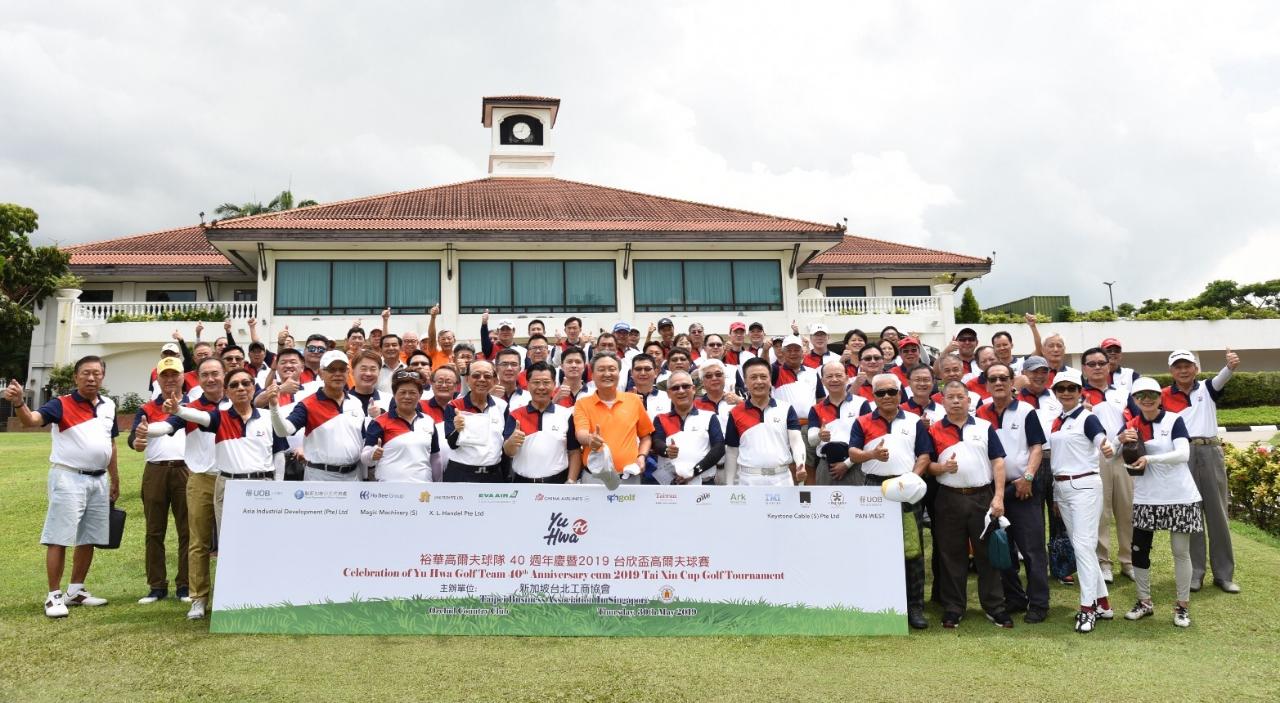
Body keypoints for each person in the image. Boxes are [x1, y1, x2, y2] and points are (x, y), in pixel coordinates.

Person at [6, 357, 119, 618]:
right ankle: (54, 596)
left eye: (96, 373)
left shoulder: (109, 405)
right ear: (76, 377)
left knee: (89, 537)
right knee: (59, 537)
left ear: (103, 377)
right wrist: (20, 403)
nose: (91, 378)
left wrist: (115, 478)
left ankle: (76, 591)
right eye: (86, 373)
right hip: (68, 477)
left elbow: (110, 445)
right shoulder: (61, 404)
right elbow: (31, 420)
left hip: (99, 479)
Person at [847, 372, 932, 630]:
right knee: (874, 548)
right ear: (873, 396)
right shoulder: (862, 422)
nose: (886, 397)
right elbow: (852, 452)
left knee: (912, 549)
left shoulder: (915, 421)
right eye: (880, 393)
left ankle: (914, 606)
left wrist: (912, 480)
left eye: (891, 392)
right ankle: (878, 603)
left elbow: (925, 455)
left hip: (907, 487)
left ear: (899, 394)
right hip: (874, 488)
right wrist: (871, 453)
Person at [145, 356, 226, 619]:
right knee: (198, 542)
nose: (211, 379)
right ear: (198, 379)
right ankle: (198, 598)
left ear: (224, 375)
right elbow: (168, 426)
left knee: (232, 542)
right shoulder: (190, 406)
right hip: (201, 478)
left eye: (215, 373)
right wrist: (146, 429)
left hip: (233, 479)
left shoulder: (236, 402)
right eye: (205, 375)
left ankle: (229, 595)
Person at [166, 367, 286, 547]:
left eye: (246, 383)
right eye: (234, 385)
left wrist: (279, 487)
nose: (241, 388)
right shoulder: (219, 417)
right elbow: (200, 416)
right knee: (231, 545)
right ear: (227, 392)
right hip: (230, 487)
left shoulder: (269, 417)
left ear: (254, 388)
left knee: (265, 543)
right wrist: (179, 410)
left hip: (264, 487)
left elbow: (279, 453)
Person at [927, 380, 1010, 629]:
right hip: (948, 498)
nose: (955, 401)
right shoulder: (933, 430)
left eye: (960, 397)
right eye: (950, 397)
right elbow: (927, 464)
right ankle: (954, 607)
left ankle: (995, 606)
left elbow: (998, 462)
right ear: (942, 401)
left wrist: (999, 496)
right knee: (951, 555)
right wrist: (942, 468)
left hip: (982, 496)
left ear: (968, 400)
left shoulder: (985, 427)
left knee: (987, 554)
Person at [1120, 377, 1202, 627]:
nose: (1146, 399)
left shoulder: (1174, 420)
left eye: (1152, 394)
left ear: (1160, 397)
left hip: (1180, 496)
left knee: (1180, 552)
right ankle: (1144, 602)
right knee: (1139, 551)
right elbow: (1111, 452)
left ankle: (1182, 606)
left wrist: (1150, 460)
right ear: (1134, 400)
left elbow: (1183, 454)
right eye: (1140, 395)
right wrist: (1120, 440)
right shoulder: (1131, 425)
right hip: (1146, 498)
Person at [1163, 348, 1241, 593]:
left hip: (1210, 452)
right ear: (1171, 371)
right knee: (1191, 514)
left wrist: (1230, 365)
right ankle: (1195, 573)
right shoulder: (1164, 395)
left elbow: (1223, 376)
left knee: (1217, 515)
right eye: (1178, 366)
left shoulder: (1207, 388)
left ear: (1195, 368)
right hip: (1182, 454)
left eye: (1188, 365)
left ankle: (1224, 574)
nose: (1183, 370)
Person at [976, 363, 1049, 623]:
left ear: (1012, 382)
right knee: (1002, 549)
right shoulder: (980, 412)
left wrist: (1028, 477)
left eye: (1003, 378)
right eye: (992, 379)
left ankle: (1039, 603)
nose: (998, 383)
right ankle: (1015, 597)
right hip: (995, 491)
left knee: (1032, 550)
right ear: (986, 383)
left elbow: (1037, 447)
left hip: (1023, 489)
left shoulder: (1027, 411)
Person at [1046, 368, 1116, 633]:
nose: (1066, 393)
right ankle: (1103, 604)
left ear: (1079, 392)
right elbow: (1057, 460)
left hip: (1085, 485)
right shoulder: (1057, 421)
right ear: (1055, 392)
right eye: (1061, 389)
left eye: (1071, 389)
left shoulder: (1087, 417)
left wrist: (1107, 447)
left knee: (1084, 547)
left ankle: (1087, 609)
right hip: (1063, 488)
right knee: (1083, 547)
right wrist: (1055, 494)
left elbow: (1102, 441)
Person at [128, 358, 190, 605]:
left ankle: (185, 585)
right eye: (165, 376)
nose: (170, 379)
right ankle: (156, 586)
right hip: (155, 471)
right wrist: (137, 442)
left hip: (185, 469)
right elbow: (134, 436)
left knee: (188, 531)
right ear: (158, 379)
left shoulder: (191, 407)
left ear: (183, 377)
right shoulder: (147, 408)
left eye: (174, 374)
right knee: (154, 530)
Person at [1079, 346, 1136, 583]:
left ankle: (1128, 561)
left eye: (1101, 363)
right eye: (1091, 364)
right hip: (1094, 459)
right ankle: (1103, 561)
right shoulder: (1078, 394)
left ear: (1109, 365)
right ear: (1084, 369)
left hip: (1122, 456)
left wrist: (1127, 434)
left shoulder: (1122, 392)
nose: (1097, 367)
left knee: (1127, 510)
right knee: (1100, 514)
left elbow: (1136, 417)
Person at [271, 350, 368, 482]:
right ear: (321, 373)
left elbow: (361, 439)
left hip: (354, 476)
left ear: (348, 372)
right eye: (332, 370)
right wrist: (274, 407)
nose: (337, 374)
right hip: (320, 477)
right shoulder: (307, 404)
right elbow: (283, 431)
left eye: (342, 369)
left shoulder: (356, 403)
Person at [722, 357, 807, 487]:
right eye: (753, 377)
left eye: (763, 376)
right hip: (748, 480)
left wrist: (800, 464)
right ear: (745, 382)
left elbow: (796, 441)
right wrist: (729, 485)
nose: (759, 381)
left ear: (770, 379)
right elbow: (732, 452)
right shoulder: (735, 412)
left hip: (782, 479)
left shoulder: (786, 408)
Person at [574, 353, 654, 486]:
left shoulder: (634, 400)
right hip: (595, 479)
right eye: (601, 370)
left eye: (612, 369)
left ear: (619, 373)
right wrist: (590, 439)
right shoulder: (582, 403)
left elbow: (646, 436)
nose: (607, 374)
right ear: (592, 375)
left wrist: (642, 456)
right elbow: (580, 433)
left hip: (629, 478)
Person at [504, 362, 582, 483]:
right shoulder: (515, 414)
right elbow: (508, 452)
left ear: (554, 385)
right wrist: (512, 442)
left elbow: (574, 452)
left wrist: (571, 480)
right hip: (522, 483)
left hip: (557, 483)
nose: (541, 387)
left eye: (546, 382)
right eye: (536, 382)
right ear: (528, 385)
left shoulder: (565, 415)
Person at [361, 370, 440, 483]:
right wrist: (372, 454)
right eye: (402, 392)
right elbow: (365, 459)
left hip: (422, 491)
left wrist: (438, 484)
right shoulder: (379, 422)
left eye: (412, 393)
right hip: (389, 492)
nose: (407, 397)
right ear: (394, 394)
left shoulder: (428, 421)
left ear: (420, 395)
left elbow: (435, 458)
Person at [651, 371, 725, 485]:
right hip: (670, 486)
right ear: (668, 393)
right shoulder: (660, 418)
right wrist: (666, 451)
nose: (681, 391)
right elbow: (656, 442)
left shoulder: (709, 416)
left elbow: (719, 448)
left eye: (685, 386)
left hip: (703, 484)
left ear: (693, 389)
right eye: (675, 388)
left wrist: (694, 472)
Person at [443, 360, 509, 482]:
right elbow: (452, 444)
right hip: (461, 475)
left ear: (494, 380)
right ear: (467, 379)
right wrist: (457, 430)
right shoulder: (454, 406)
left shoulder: (502, 406)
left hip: (493, 475)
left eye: (487, 376)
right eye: (476, 375)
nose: (482, 379)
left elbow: (505, 444)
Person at [807, 361, 868, 486]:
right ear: (823, 381)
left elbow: (867, 440)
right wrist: (819, 436)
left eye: (839, 375)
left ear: (846, 378)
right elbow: (811, 441)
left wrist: (846, 464)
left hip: (855, 465)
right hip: (825, 467)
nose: (834, 379)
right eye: (829, 376)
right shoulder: (816, 409)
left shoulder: (862, 404)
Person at [771, 335, 820, 422]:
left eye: (796, 350)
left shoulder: (813, 372)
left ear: (802, 352)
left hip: (810, 425)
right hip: (785, 425)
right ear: (783, 352)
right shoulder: (776, 371)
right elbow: (762, 368)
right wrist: (765, 350)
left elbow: (821, 399)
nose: (793, 353)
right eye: (789, 350)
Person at [349, 350, 389, 417]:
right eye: (363, 369)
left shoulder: (388, 399)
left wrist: (381, 415)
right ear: (352, 372)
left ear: (379, 372)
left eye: (373, 369)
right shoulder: (342, 401)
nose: (368, 373)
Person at [422, 304, 457, 370]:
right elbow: (432, 337)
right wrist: (433, 317)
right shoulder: (434, 353)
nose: (446, 341)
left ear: (454, 340)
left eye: (449, 338)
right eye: (443, 339)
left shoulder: (458, 356)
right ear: (438, 342)